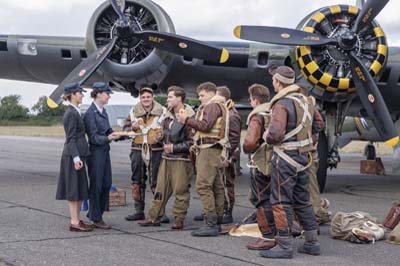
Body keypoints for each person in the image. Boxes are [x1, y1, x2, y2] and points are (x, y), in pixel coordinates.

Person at [259, 66, 324, 259]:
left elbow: (275, 134)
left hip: (285, 159)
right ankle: (312, 243)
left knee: (280, 201)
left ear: (278, 82)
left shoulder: (282, 103)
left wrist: (266, 136)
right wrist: (306, 140)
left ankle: (285, 245)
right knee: (303, 201)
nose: (273, 82)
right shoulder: (306, 100)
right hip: (303, 159)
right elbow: (319, 124)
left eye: (274, 80)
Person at [177, 82, 229, 237]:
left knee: (203, 186)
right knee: (217, 186)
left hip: (208, 150)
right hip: (216, 149)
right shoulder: (221, 105)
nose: (199, 99)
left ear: (211, 93)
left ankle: (210, 222)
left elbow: (205, 126)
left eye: (202, 95)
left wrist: (186, 119)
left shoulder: (212, 106)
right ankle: (218, 219)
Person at [138, 86, 194, 229]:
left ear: (179, 98)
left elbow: (192, 142)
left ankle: (179, 218)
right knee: (160, 188)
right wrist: (160, 137)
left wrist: (174, 148)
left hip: (181, 159)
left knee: (181, 190)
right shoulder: (167, 115)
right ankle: (154, 217)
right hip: (166, 157)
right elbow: (165, 133)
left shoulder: (188, 116)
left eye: (170, 97)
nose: (167, 99)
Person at [123, 86, 167, 222]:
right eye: (143, 97)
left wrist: (162, 136)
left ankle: (159, 212)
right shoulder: (133, 112)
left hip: (156, 149)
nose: (146, 99)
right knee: (137, 180)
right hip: (137, 148)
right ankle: (138, 210)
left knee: (157, 181)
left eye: (148, 97)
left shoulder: (163, 112)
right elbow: (125, 130)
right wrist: (133, 127)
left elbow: (169, 130)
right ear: (140, 99)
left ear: (153, 97)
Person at [242, 84, 276, 250]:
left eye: (250, 99)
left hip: (259, 162)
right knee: (273, 198)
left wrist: (246, 148)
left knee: (260, 199)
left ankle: (267, 236)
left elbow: (249, 143)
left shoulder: (257, 116)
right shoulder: (274, 111)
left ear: (255, 100)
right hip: (273, 161)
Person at [55, 82, 92, 232]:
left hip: (78, 154)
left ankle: (77, 220)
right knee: (73, 190)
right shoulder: (70, 113)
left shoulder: (75, 111)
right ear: (72, 95)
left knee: (79, 189)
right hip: (72, 156)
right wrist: (76, 158)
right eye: (79, 93)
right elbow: (70, 138)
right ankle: (74, 222)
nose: (82, 95)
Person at [84, 82, 120, 229]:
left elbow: (108, 131)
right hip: (95, 153)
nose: (109, 96)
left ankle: (93, 213)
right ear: (98, 94)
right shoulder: (90, 114)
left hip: (105, 152)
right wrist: (108, 138)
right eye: (107, 93)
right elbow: (93, 138)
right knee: (97, 185)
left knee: (106, 184)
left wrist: (122, 134)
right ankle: (96, 218)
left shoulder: (103, 111)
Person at [216, 86, 241, 224]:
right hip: (219, 153)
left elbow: (234, 138)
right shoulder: (222, 112)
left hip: (227, 155)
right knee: (217, 183)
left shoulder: (232, 114)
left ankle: (228, 211)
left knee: (227, 184)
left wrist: (227, 156)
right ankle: (218, 209)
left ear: (223, 98)